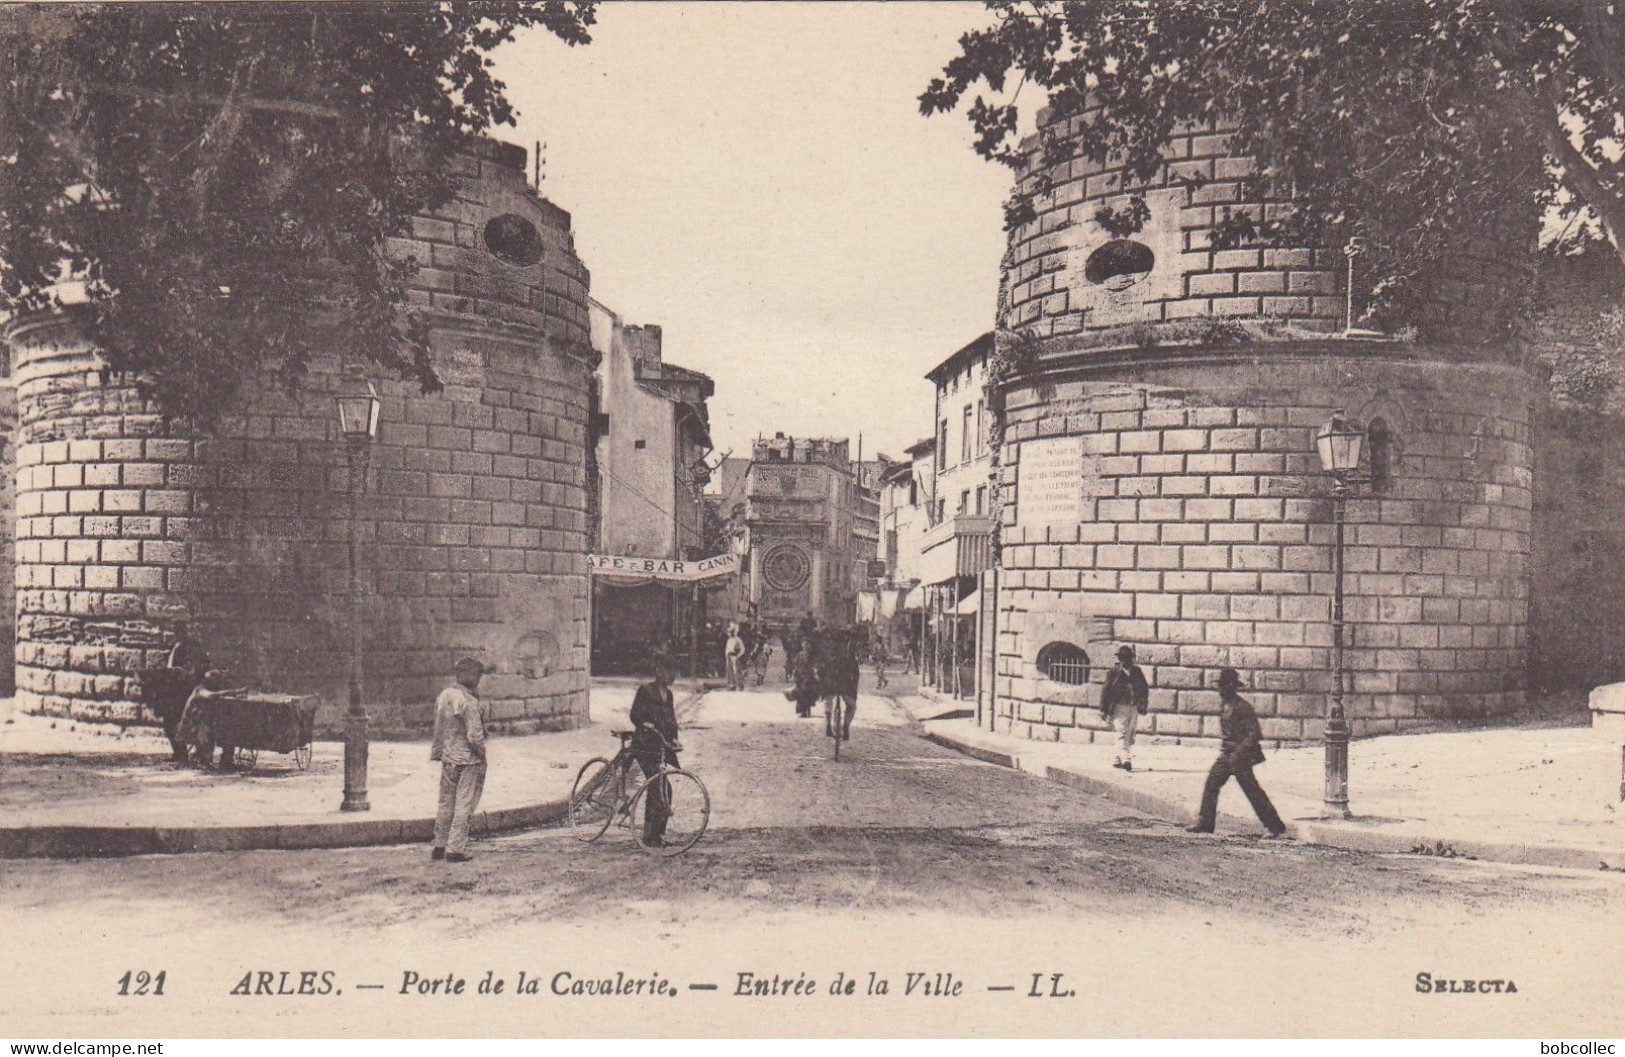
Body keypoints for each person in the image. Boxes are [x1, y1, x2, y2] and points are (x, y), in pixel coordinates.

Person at [1188, 667, 1288, 838]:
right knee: (1212, 783)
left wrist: (1239, 753)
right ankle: (1206, 822)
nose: (1220, 690)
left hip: (1240, 757)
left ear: (1231, 687)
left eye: (1223, 686)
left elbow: (1254, 734)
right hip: (1227, 755)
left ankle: (1274, 826)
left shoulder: (1243, 707)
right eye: (1220, 686)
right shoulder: (1225, 705)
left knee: (1252, 791)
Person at [431, 657, 487, 862]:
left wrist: (438, 752)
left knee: (445, 802)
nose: (479, 681)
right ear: (470, 676)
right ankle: (455, 848)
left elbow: (438, 728)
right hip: (468, 760)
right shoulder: (469, 701)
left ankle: (439, 844)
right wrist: (482, 754)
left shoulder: (444, 695)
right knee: (464, 803)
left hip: (448, 757)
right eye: (478, 676)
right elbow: (475, 736)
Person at [629, 653, 683, 847]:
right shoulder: (646, 691)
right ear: (660, 672)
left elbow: (672, 720)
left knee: (664, 788)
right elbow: (635, 714)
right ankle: (649, 836)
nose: (674, 676)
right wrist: (646, 724)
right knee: (657, 787)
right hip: (644, 745)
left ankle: (657, 835)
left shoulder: (668, 695)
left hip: (660, 746)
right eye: (671, 672)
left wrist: (674, 739)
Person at [176, 669, 250, 772]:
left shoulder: (207, 689)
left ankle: (226, 762)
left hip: (198, 723)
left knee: (227, 730)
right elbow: (212, 695)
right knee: (207, 730)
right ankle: (204, 761)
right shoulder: (200, 690)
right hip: (190, 726)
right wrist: (237, 691)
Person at [1099, 645, 1150, 771]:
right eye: (1124, 659)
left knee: (1130, 734)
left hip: (1133, 707)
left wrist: (1143, 704)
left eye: (1128, 659)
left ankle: (1117, 759)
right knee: (1121, 733)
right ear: (1120, 659)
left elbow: (1144, 688)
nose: (1126, 661)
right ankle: (1126, 759)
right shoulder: (1114, 672)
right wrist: (1103, 709)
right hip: (1118, 707)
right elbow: (1105, 691)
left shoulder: (1137, 672)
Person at [825, 630, 860, 741]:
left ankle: (828, 725)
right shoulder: (849, 656)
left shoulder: (829, 654)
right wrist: (855, 686)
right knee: (851, 706)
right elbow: (856, 673)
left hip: (831, 684)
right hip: (846, 686)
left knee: (828, 701)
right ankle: (846, 727)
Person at [724, 623, 746, 691]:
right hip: (729, 656)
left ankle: (740, 685)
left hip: (735, 656)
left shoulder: (738, 639)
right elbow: (727, 649)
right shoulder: (729, 640)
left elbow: (742, 649)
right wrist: (726, 656)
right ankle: (732, 685)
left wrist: (738, 656)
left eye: (731, 632)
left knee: (736, 671)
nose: (730, 633)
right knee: (729, 671)